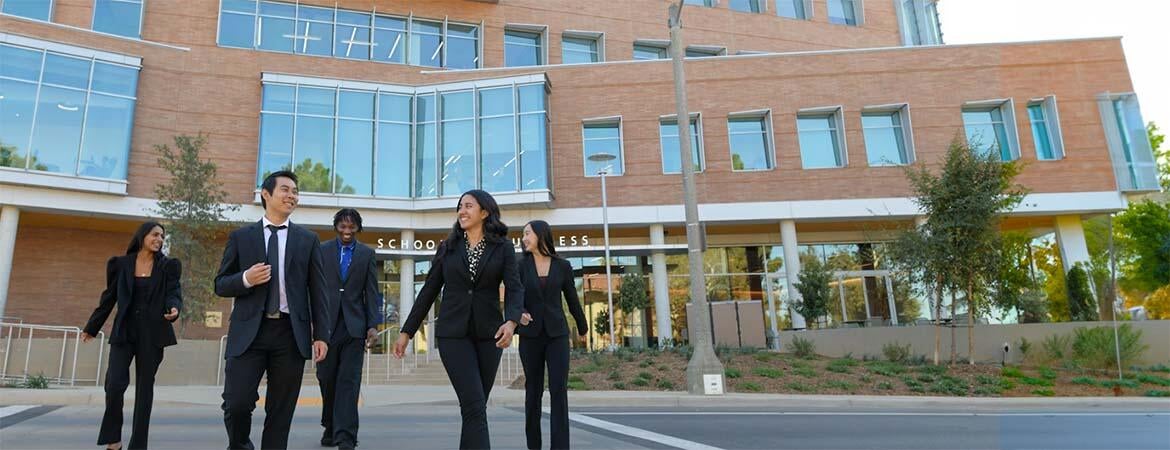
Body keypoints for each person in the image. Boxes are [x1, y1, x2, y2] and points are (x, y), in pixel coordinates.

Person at [392, 189, 524, 450]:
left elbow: (515, 288)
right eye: (460, 206)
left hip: (490, 335)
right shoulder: (448, 247)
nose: (462, 211)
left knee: (474, 408)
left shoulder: (503, 247)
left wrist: (511, 322)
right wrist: (407, 332)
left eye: (468, 206)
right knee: (474, 406)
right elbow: (429, 291)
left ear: (484, 212)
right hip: (453, 335)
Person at [214, 170, 330, 450]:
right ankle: (240, 445)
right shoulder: (241, 237)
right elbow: (220, 284)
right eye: (285, 190)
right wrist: (246, 278)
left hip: (290, 334)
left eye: (295, 192)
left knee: (280, 412)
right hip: (249, 334)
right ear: (266, 194)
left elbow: (318, 291)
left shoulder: (308, 240)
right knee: (236, 403)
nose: (292, 196)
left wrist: (321, 335)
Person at [82, 221, 182, 450]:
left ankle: (138, 445)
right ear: (142, 236)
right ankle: (114, 440)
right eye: (155, 235)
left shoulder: (168, 266)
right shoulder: (121, 264)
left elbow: (174, 293)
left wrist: (174, 309)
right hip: (124, 331)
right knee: (114, 385)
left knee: (144, 391)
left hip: (153, 334)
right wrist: (92, 327)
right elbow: (109, 298)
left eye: (162, 236)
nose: (159, 239)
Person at [516, 220, 588, 450]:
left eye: (527, 233)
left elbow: (572, 299)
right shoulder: (520, 265)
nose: (524, 238)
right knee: (533, 392)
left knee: (559, 391)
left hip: (557, 335)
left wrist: (583, 327)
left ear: (540, 235)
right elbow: (513, 298)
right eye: (523, 234)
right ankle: (533, 446)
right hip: (530, 336)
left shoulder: (563, 266)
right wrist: (519, 313)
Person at [316, 208, 379, 450]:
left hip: (354, 327)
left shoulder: (366, 254)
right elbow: (314, 288)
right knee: (326, 378)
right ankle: (330, 425)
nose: (347, 231)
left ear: (358, 228)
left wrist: (372, 325)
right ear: (336, 227)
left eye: (352, 227)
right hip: (327, 327)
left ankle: (346, 437)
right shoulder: (321, 250)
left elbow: (371, 292)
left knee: (349, 382)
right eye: (343, 226)